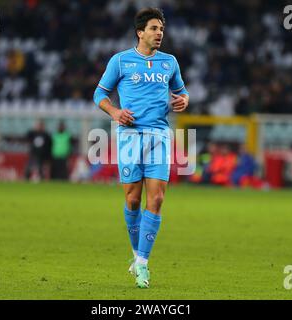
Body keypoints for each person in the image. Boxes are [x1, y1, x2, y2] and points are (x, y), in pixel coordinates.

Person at [93, 8, 189, 289]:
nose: (160, 33)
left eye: (161, 29)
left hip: (159, 135)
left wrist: (184, 99)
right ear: (140, 32)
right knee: (133, 200)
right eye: (154, 28)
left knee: (156, 199)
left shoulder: (169, 63)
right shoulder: (120, 61)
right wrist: (114, 112)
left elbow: (181, 91)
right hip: (130, 137)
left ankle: (144, 264)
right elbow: (100, 93)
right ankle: (136, 255)